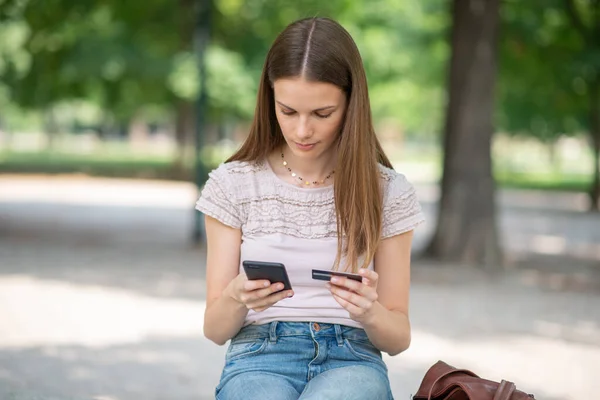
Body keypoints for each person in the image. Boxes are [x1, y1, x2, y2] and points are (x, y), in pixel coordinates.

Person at [195, 16, 425, 400]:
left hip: (351, 358)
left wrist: (369, 312)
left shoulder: (389, 191)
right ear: (270, 100)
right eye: (288, 111)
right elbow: (215, 330)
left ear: (351, 105)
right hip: (258, 354)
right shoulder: (232, 184)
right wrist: (237, 296)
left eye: (322, 114)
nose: (302, 131)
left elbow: (398, 338)